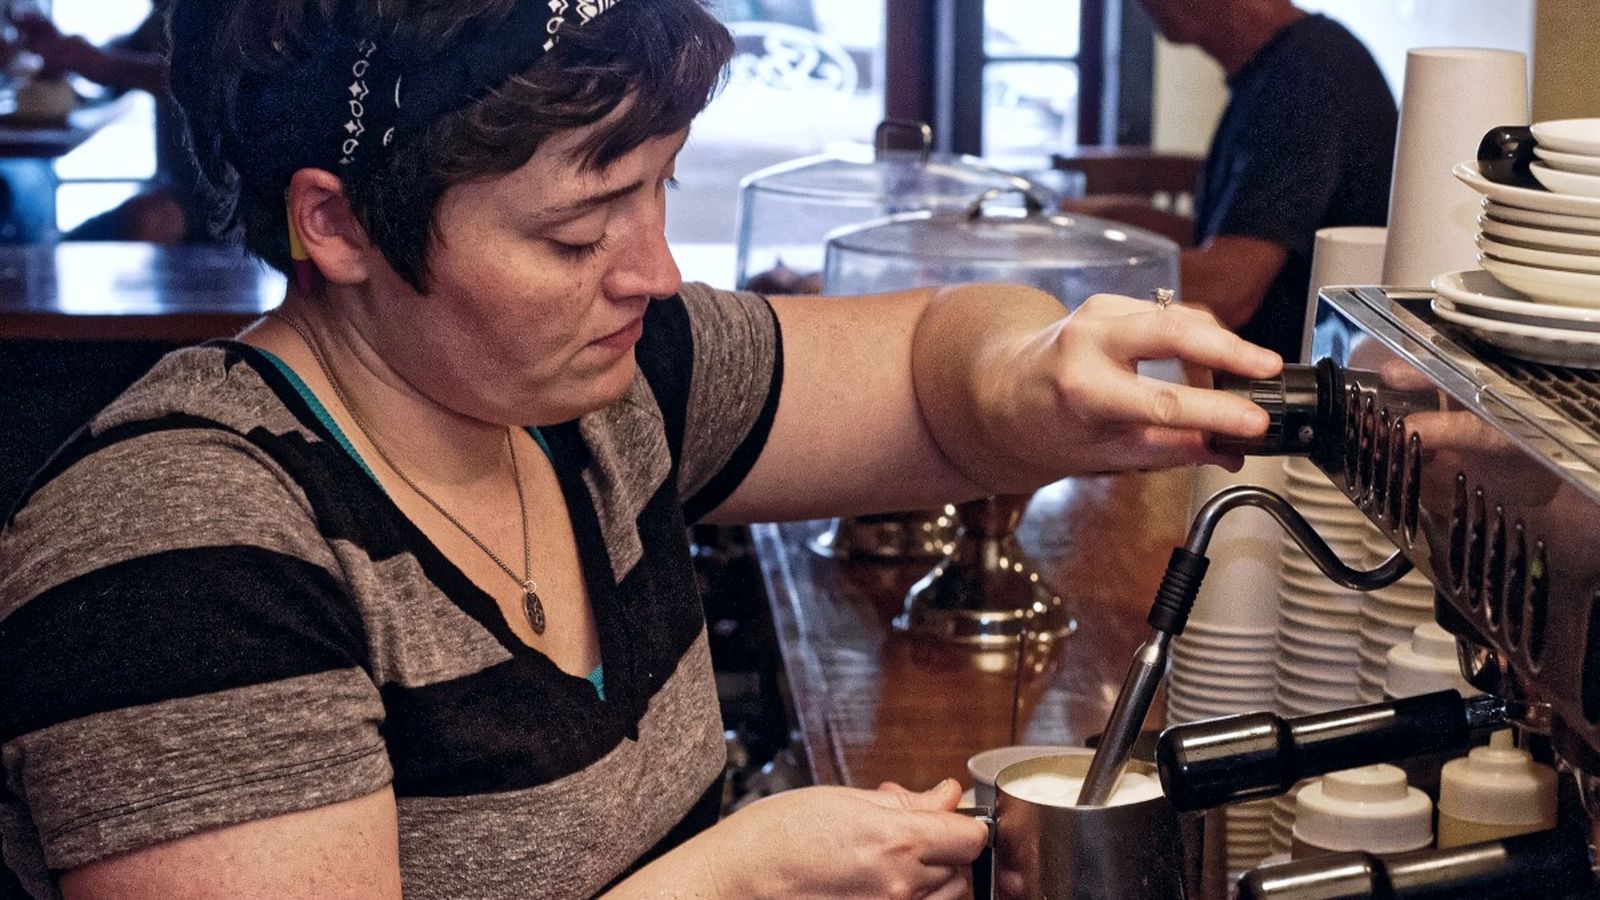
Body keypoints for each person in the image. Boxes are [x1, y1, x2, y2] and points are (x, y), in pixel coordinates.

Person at [0, 1, 1281, 897]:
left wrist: (1028, 373)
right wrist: (736, 879)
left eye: (660, 185)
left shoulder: (600, 393)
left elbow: (927, 368)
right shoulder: (180, 551)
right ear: (334, 225)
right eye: (578, 231)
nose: (654, 273)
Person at [1074, 0, 1397, 362]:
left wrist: (1074, 274)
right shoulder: (1289, 63)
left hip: (1282, 394)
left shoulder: (1308, 76)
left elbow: (1227, 289)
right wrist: (1098, 223)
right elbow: (1237, 234)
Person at [10, 3, 206, 244]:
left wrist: (105, 64)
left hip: (231, 204)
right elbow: (127, 55)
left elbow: (217, 80)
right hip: (179, 191)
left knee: (151, 220)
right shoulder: (172, 11)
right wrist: (65, 52)